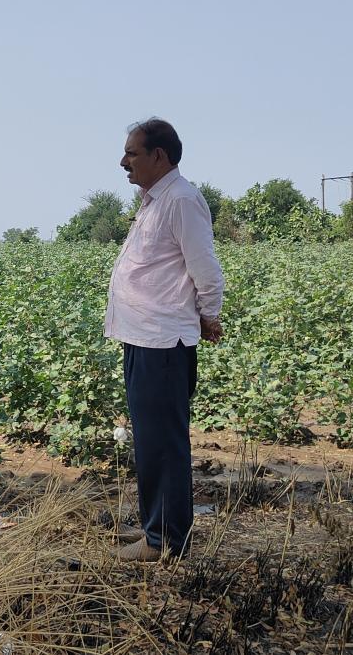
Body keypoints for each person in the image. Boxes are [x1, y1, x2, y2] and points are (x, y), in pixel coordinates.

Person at [104, 118, 225, 562]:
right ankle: (155, 529)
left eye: (132, 153)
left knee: (164, 444)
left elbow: (206, 269)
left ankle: (166, 542)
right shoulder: (155, 200)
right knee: (150, 441)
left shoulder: (182, 200)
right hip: (142, 337)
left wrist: (209, 315)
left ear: (159, 156)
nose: (123, 162)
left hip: (163, 342)